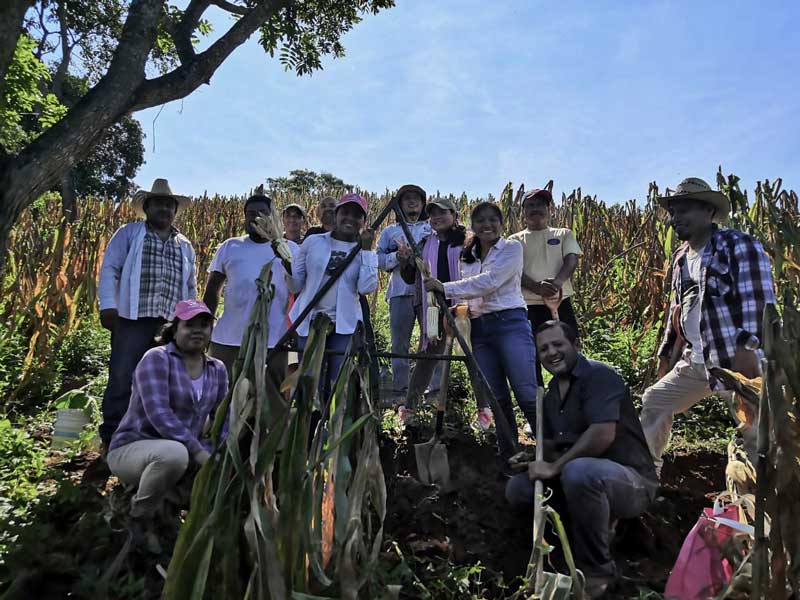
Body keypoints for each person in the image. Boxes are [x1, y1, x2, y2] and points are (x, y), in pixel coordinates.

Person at [506, 321, 658, 598]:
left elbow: (602, 434)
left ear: (576, 345)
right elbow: (553, 446)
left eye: (558, 344)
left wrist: (554, 466)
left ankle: (598, 569)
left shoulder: (599, 376)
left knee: (579, 472)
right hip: (582, 480)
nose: (551, 352)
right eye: (543, 349)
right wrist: (534, 457)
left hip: (630, 482)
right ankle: (564, 553)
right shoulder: (550, 396)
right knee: (518, 489)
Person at [640, 177, 775, 477]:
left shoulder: (738, 245)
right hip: (698, 361)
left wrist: (747, 352)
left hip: (736, 360)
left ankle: (763, 504)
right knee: (654, 402)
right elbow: (677, 310)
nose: (676, 219)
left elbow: (761, 305)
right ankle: (645, 478)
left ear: (708, 212)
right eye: (673, 212)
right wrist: (666, 354)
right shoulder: (679, 260)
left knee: (755, 434)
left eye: (684, 210)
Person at [425, 201, 537, 474]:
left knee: (524, 389)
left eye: (492, 220)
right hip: (480, 328)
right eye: (480, 221)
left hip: (510, 323)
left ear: (501, 223)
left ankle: (551, 451)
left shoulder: (512, 249)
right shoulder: (468, 255)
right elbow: (475, 296)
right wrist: (458, 311)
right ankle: (509, 455)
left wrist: (445, 286)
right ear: (472, 225)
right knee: (496, 395)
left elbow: (491, 282)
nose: (487, 225)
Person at [106, 300, 228, 551]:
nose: (197, 331)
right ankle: (138, 518)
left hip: (185, 452)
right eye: (189, 325)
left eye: (203, 325)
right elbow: (159, 414)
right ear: (175, 329)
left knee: (215, 472)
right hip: (134, 448)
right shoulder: (157, 359)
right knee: (174, 455)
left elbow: (223, 416)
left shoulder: (217, 369)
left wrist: (218, 449)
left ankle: (170, 514)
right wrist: (198, 451)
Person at [98, 178, 197, 449]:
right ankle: (112, 438)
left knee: (163, 381)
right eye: (158, 204)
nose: (164, 209)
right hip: (132, 318)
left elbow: (190, 286)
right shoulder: (129, 234)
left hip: (168, 324)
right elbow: (111, 270)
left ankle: (152, 435)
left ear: (175, 210)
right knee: (122, 376)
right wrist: (108, 305)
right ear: (147, 207)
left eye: (169, 205)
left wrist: (189, 319)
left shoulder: (185, 245)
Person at [395, 197, 492, 428]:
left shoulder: (470, 241)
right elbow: (411, 278)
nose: (437, 218)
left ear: (454, 215)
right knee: (427, 357)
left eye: (443, 213)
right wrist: (405, 262)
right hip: (434, 309)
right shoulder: (424, 243)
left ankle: (485, 411)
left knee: (472, 357)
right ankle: (410, 407)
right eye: (433, 214)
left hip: (465, 308)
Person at [288, 193, 377, 397]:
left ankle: (331, 426)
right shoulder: (313, 242)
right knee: (309, 381)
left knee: (338, 381)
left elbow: (366, 287)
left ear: (364, 221)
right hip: (309, 320)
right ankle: (306, 425)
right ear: (336, 215)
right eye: (345, 212)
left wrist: (366, 251)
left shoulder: (363, 251)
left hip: (343, 324)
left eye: (357, 215)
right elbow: (296, 284)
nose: (350, 219)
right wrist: (285, 263)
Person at [203, 194, 298, 380]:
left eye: (262, 213)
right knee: (223, 398)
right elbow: (212, 290)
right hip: (229, 338)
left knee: (276, 399)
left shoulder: (291, 250)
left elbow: (300, 291)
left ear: (273, 217)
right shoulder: (230, 246)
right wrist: (206, 326)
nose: (256, 218)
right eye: (251, 213)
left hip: (277, 340)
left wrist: (296, 333)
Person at [509, 188, 582, 385]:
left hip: (561, 302)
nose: (536, 209)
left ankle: (574, 391)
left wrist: (557, 283)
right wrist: (536, 287)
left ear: (548, 208)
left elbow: (571, 259)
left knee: (568, 351)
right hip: (528, 306)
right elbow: (513, 270)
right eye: (530, 205)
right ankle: (539, 402)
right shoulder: (514, 241)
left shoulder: (564, 234)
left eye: (540, 205)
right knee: (532, 355)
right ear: (523, 211)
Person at [377, 184, 432, 400]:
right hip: (400, 291)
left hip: (427, 293)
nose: (411, 202)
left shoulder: (431, 229)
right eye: (406, 198)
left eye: (416, 198)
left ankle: (430, 391)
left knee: (431, 341)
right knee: (399, 343)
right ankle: (401, 390)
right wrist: (396, 259)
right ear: (399, 204)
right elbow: (378, 259)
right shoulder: (390, 232)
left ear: (423, 204)